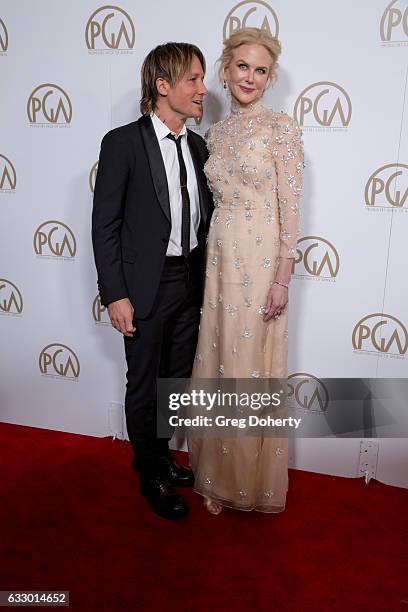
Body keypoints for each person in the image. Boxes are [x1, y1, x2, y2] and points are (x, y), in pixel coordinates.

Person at [92, 42, 212, 520]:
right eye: (193, 80)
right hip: (145, 285)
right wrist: (114, 293)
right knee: (144, 383)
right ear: (163, 87)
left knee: (174, 381)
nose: (204, 90)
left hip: (189, 279)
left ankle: (162, 455)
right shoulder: (122, 142)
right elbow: (105, 226)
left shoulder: (199, 145)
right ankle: (149, 473)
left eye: (203, 79)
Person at [189, 28, 304, 515]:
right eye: (242, 67)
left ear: (270, 77)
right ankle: (214, 474)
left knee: (248, 368)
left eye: (260, 70)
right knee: (218, 363)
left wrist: (282, 277)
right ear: (225, 69)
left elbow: (291, 210)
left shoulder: (282, 129)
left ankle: (247, 482)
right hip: (219, 258)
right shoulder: (214, 134)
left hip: (259, 266)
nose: (249, 77)